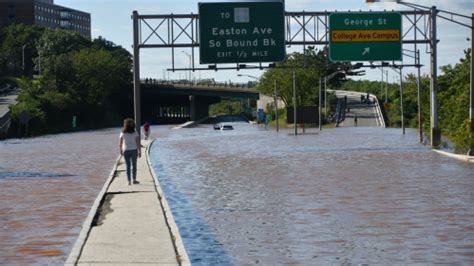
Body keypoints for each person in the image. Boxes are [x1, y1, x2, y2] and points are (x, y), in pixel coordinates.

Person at [119, 118, 141, 185]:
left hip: (126, 150)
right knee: (134, 165)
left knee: (127, 166)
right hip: (134, 150)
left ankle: (128, 181)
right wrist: (139, 151)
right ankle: (134, 180)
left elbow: (120, 142)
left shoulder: (123, 132)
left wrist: (120, 150)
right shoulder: (135, 132)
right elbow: (138, 143)